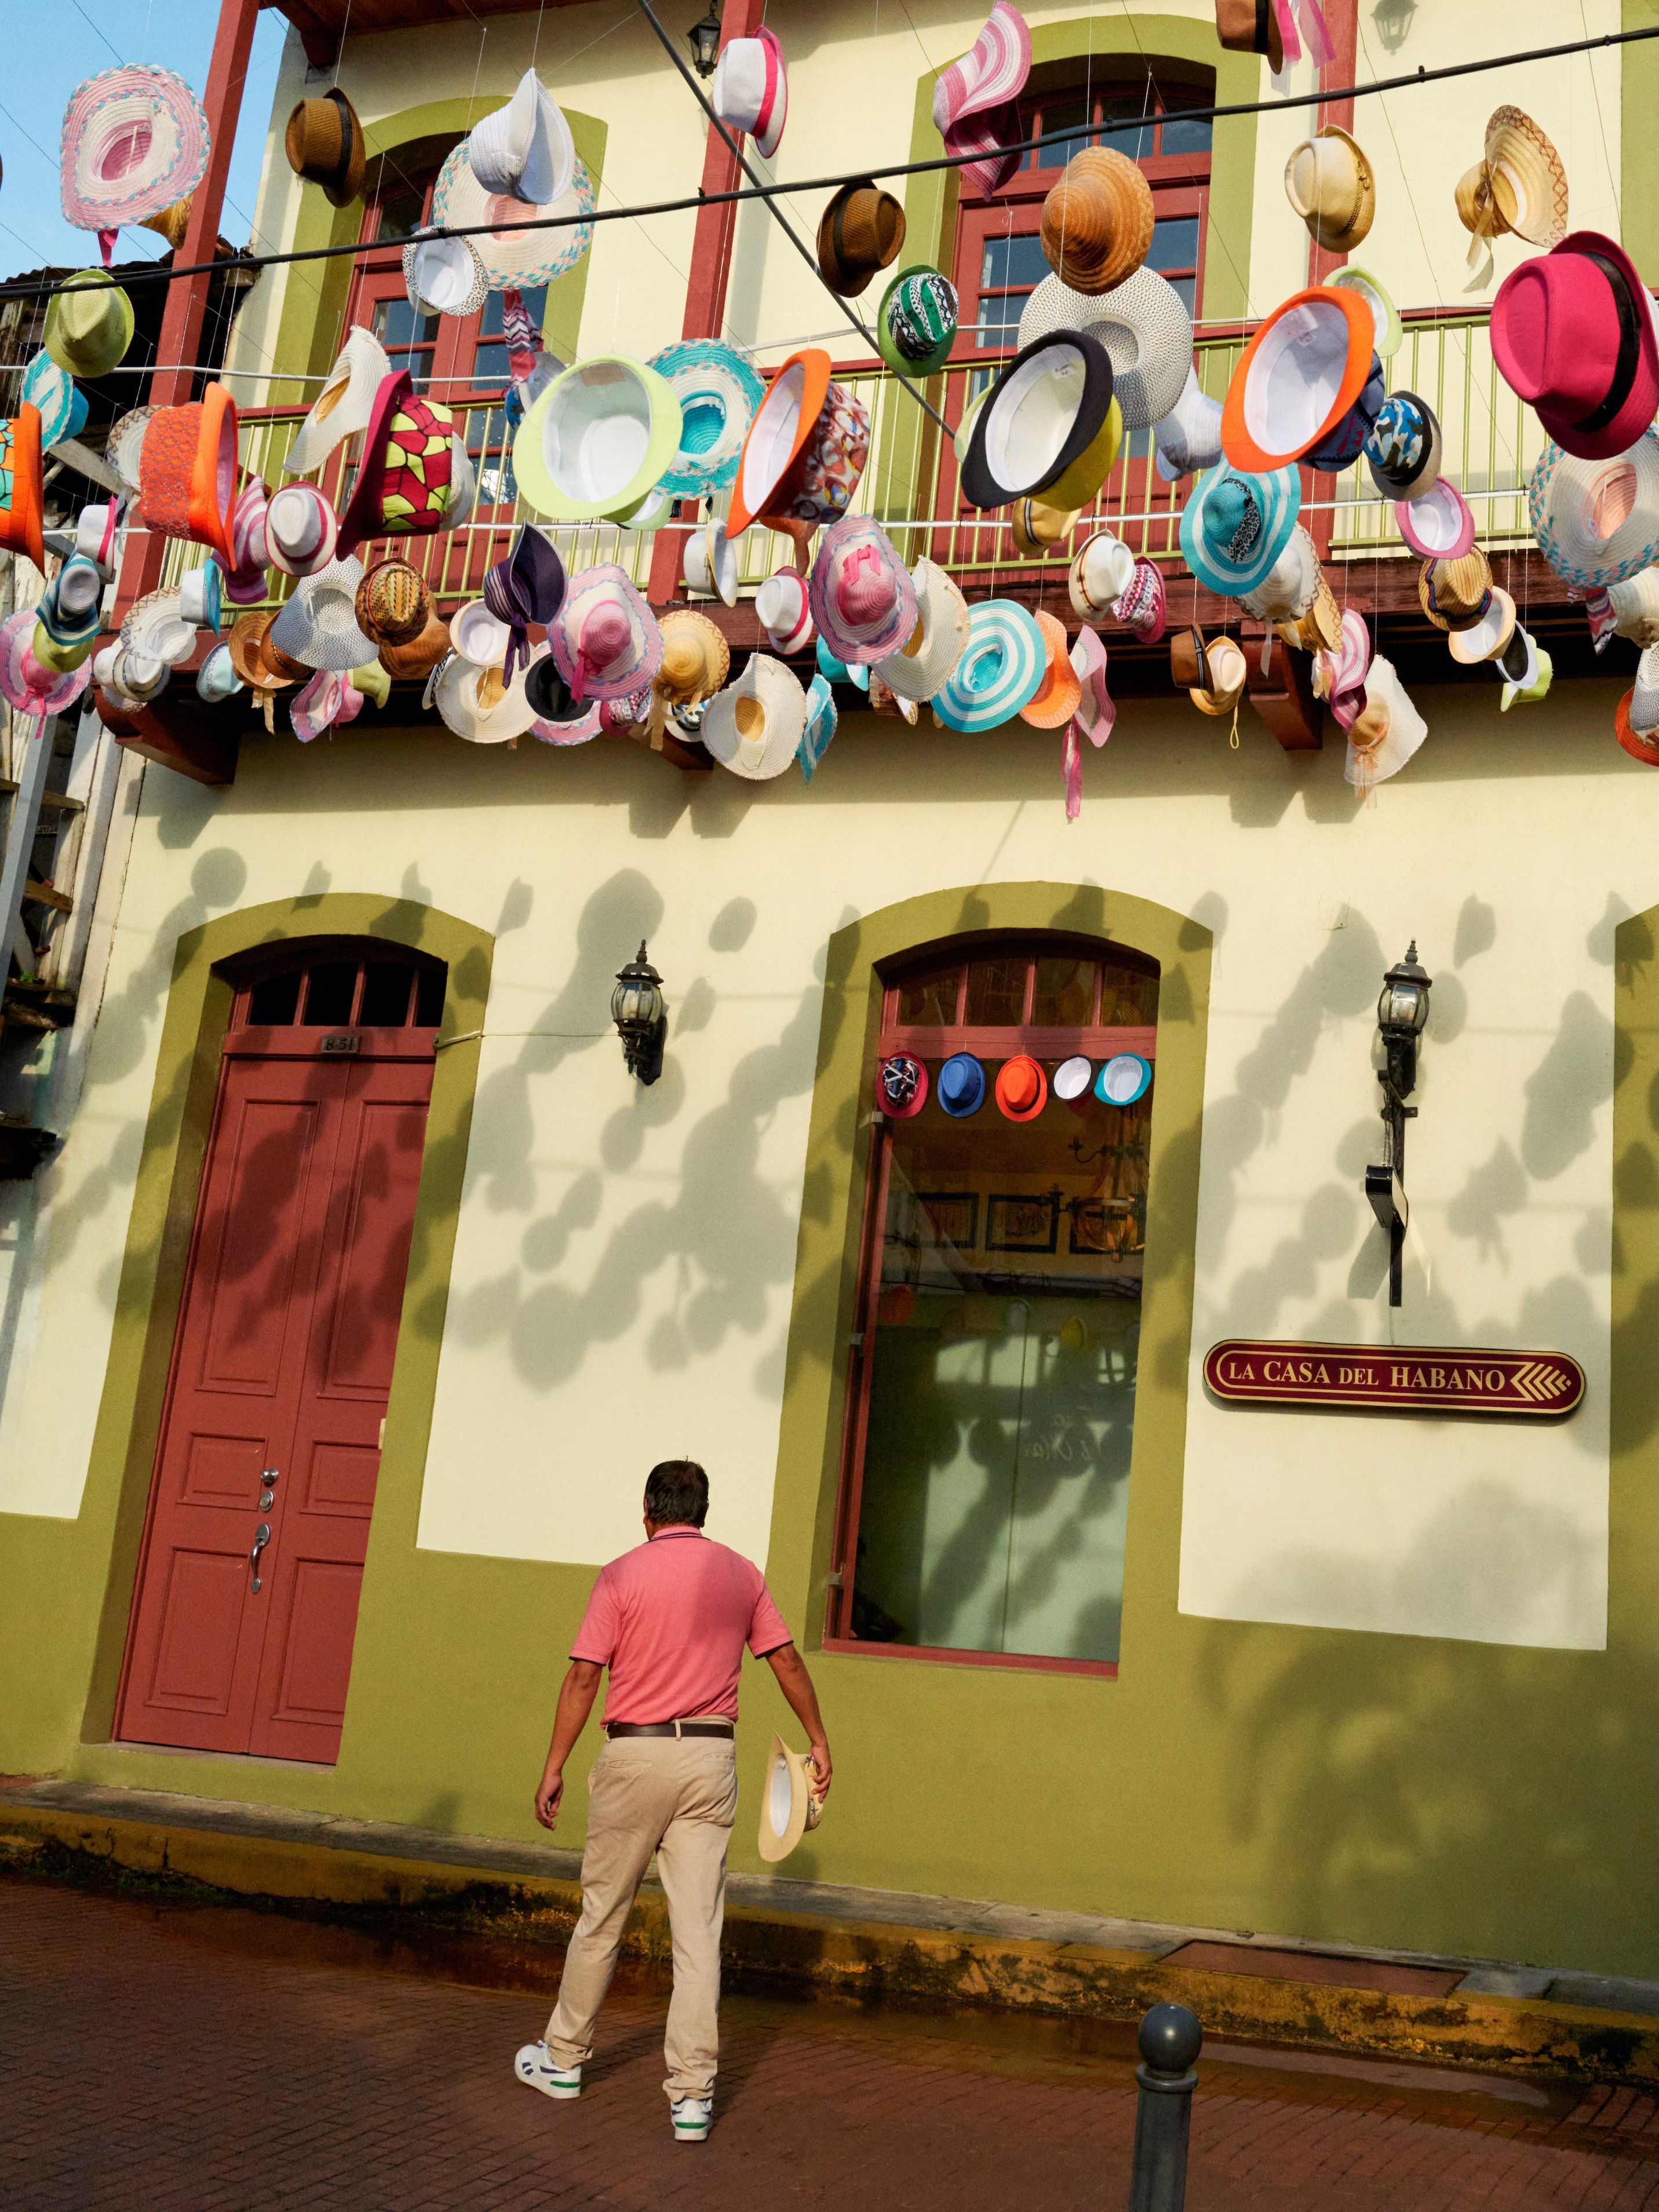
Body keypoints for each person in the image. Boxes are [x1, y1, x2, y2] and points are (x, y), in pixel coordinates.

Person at [514, 1458, 832, 2142]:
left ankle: (564, 2059)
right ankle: (692, 2099)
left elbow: (581, 1677)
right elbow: (786, 1660)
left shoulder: (621, 1573)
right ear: (704, 1511)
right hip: (710, 1757)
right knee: (698, 1936)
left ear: (648, 1513)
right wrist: (817, 1739)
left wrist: (553, 1764)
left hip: (634, 1751)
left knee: (603, 1914)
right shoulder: (742, 1572)